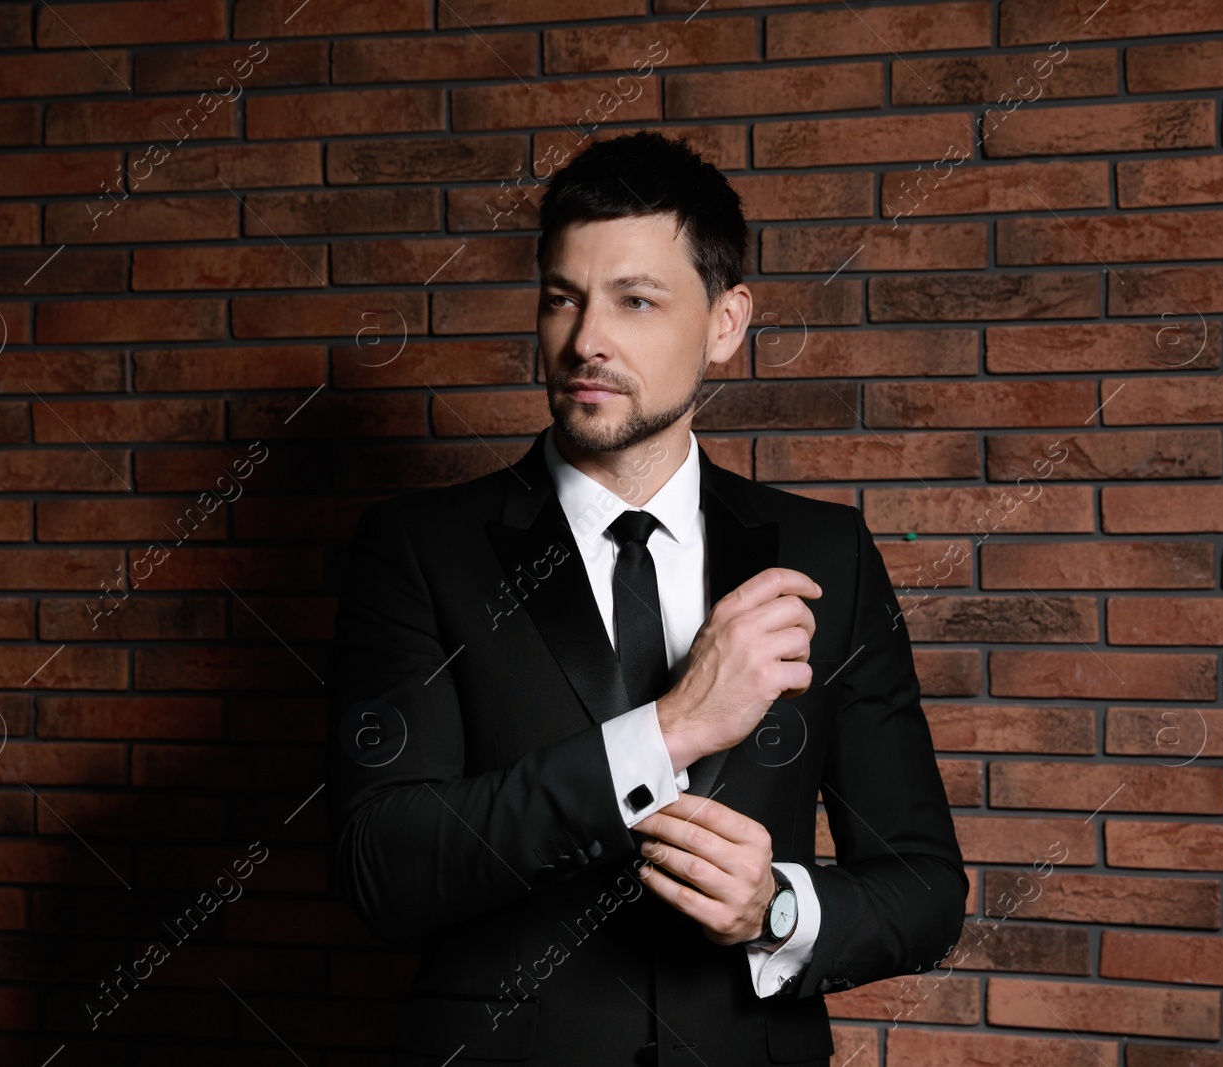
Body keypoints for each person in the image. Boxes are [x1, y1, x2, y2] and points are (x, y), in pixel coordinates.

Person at [328, 130, 966, 1067]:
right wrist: (669, 730)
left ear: (725, 321)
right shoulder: (421, 550)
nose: (587, 340)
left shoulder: (826, 554)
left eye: (635, 300)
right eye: (563, 299)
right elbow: (378, 868)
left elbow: (925, 886)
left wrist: (776, 908)